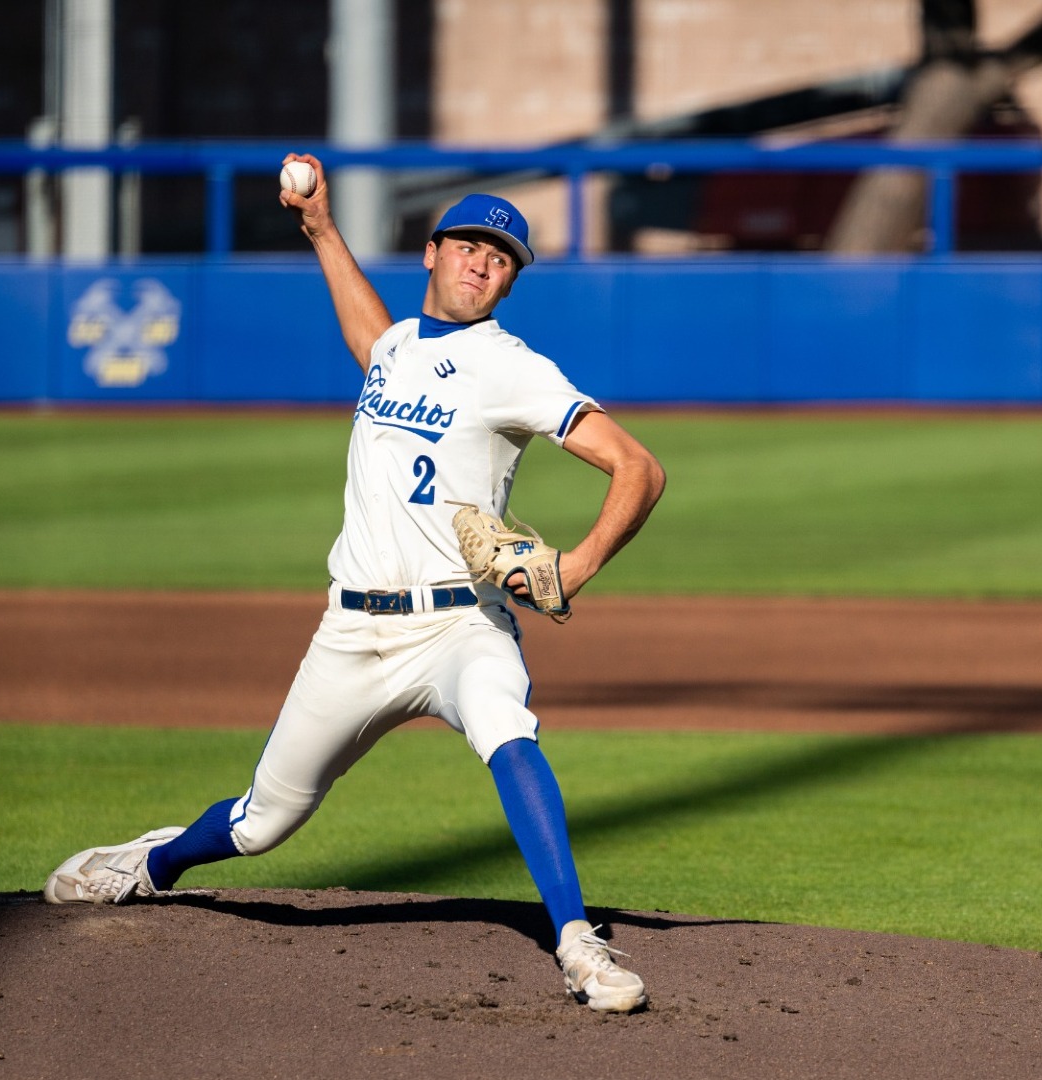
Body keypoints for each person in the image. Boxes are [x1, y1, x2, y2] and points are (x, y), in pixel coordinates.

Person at [42, 153, 667, 1015]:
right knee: (262, 823)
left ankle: (575, 940)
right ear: (433, 252)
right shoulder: (401, 348)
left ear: (512, 281)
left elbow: (637, 466)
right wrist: (322, 229)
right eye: (470, 247)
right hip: (352, 632)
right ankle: (147, 866)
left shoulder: (512, 366)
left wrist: (576, 566)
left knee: (507, 729)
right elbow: (374, 344)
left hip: (461, 628)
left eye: (502, 258)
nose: (483, 263)